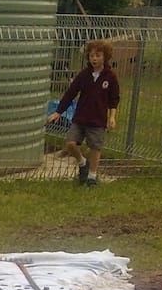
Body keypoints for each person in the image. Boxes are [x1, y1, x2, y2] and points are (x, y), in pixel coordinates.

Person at [47, 39, 120, 187]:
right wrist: (58, 112)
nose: (94, 58)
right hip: (80, 118)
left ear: (105, 57)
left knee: (95, 147)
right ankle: (82, 162)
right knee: (70, 143)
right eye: (92, 55)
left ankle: (92, 176)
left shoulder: (110, 77)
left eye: (98, 55)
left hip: (98, 120)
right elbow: (70, 93)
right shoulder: (84, 75)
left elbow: (114, 99)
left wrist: (112, 117)